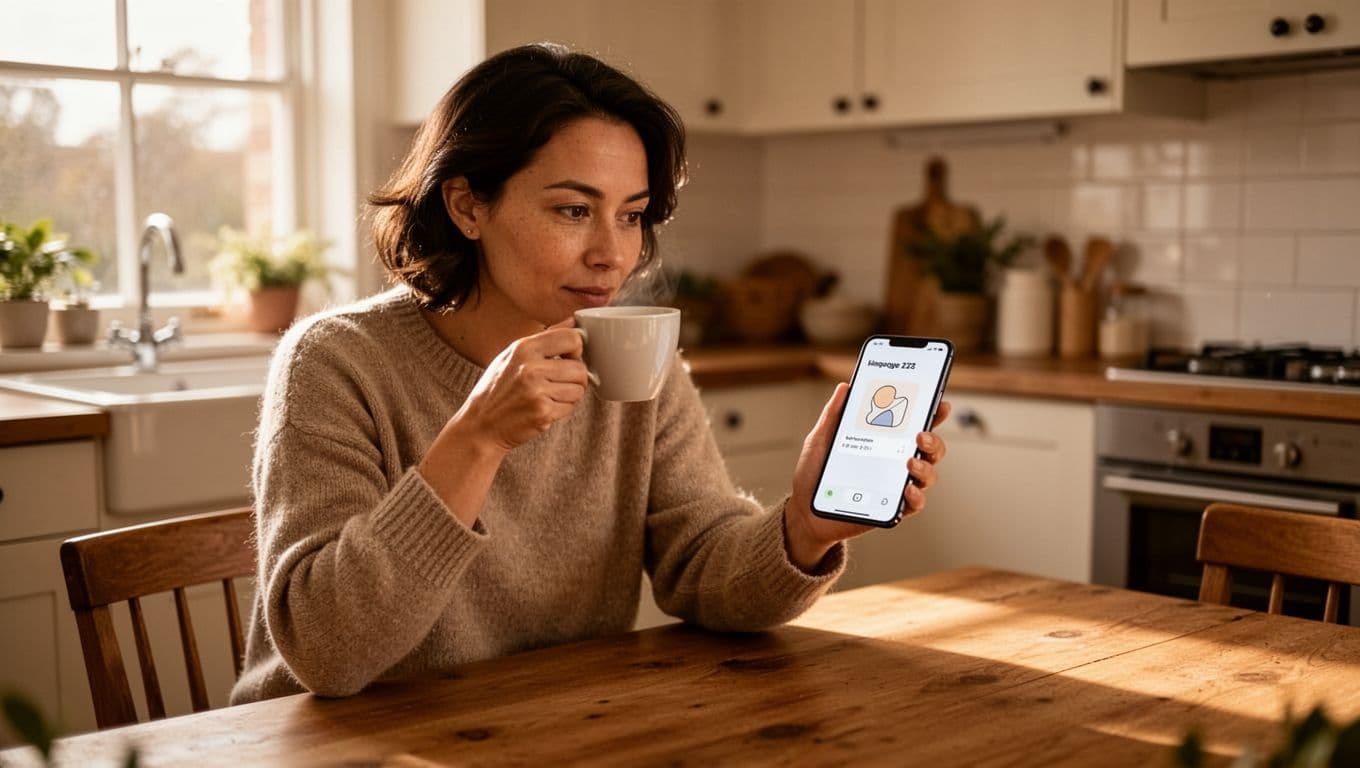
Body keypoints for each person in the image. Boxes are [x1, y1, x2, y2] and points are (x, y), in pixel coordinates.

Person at [230, 42, 950, 705]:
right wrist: (478, 439)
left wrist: (805, 527)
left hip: (549, 725)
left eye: (631, 215)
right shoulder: (335, 361)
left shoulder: (631, 358)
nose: (613, 255)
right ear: (467, 205)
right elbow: (327, 654)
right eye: (574, 210)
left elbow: (702, 564)